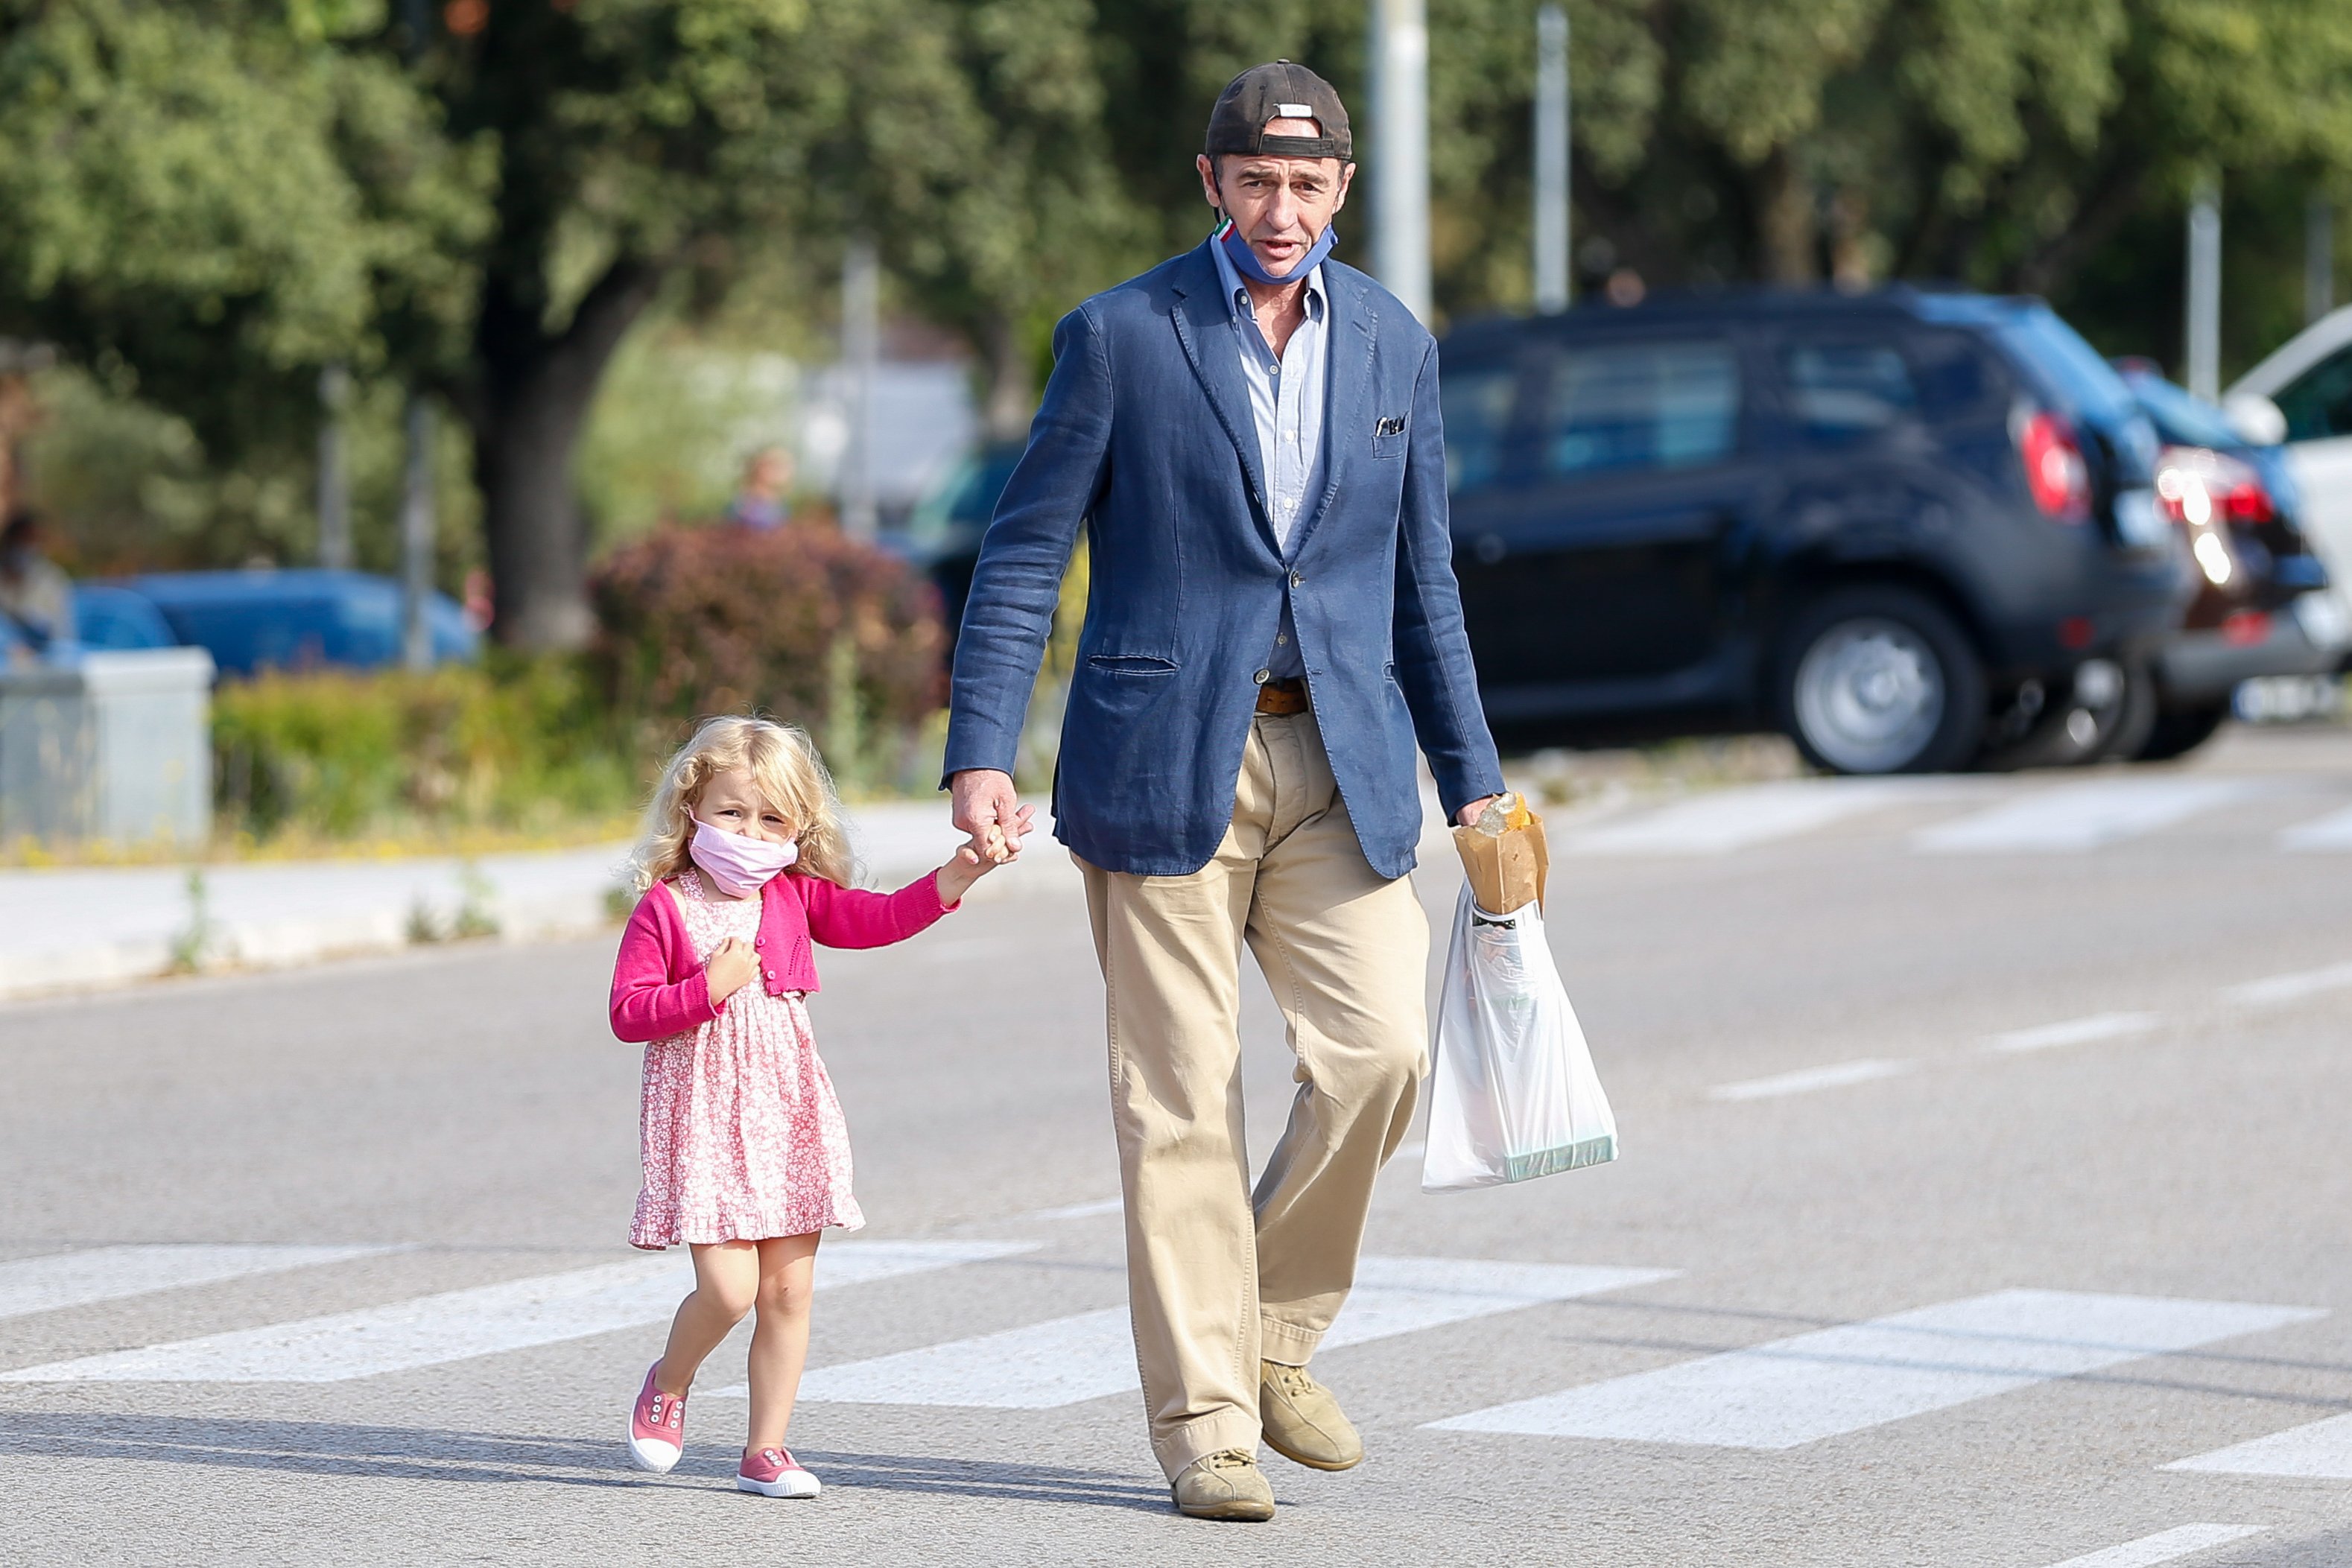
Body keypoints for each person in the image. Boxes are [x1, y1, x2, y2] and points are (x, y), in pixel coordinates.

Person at [942, 61, 1505, 1521]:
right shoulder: (1122, 336)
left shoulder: (1393, 343)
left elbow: (1421, 578)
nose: (1281, 208)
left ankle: (1265, 1334)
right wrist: (982, 751)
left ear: (1343, 193)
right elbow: (1021, 551)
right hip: (1157, 755)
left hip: (1343, 754)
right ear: (1211, 183)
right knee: (1178, 1099)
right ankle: (1206, 1425)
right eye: (1256, 180)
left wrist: (1480, 788)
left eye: (1308, 185)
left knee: (1382, 1055)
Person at [607, 714, 1006, 1499]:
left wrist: (957, 873)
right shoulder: (666, 907)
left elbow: (877, 918)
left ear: (797, 826)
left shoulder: (792, 895)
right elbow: (628, 1011)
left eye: (770, 818)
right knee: (728, 1290)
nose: (748, 831)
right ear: (693, 807)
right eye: (730, 811)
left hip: (784, 1110)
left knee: (787, 1290)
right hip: (705, 1120)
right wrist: (704, 991)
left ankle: (767, 1448)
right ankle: (670, 1380)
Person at [0, 507, 75, 658]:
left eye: (31, 540)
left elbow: (60, 633)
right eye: (21, 539)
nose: (26, 546)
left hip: (46, 662)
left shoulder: (50, 578)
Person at [724, 447, 795, 532]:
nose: (782, 473)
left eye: (785, 468)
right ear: (760, 467)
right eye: (776, 467)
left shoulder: (780, 504)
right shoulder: (743, 502)